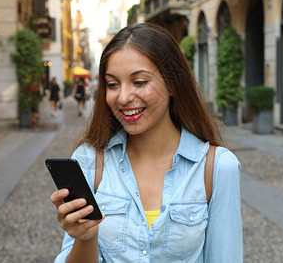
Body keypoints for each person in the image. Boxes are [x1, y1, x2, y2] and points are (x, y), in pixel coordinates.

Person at [50, 23, 242, 262]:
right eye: (112, 84)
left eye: (139, 82)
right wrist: (84, 237)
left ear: (173, 83)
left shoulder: (217, 167)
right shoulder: (88, 161)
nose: (123, 97)